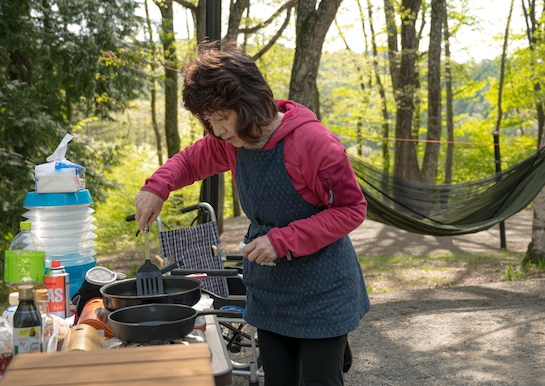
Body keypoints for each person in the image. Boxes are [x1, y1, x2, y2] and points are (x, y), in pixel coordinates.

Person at [134, 42, 370, 386]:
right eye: (209, 121)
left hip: (324, 290)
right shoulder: (229, 143)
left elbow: (352, 209)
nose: (217, 131)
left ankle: (334, 349)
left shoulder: (314, 144)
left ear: (248, 103)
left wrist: (282, 240)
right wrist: (158, 186)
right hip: (271, 289)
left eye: (223, 117)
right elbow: (190, 160)